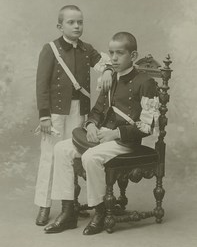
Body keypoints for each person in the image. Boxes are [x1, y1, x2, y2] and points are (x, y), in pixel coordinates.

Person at [44, 32, 160, 235]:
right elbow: (97, 111)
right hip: (103, 135)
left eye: (119, 53)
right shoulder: (110, 79)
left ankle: (100, 211)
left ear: (133, 55)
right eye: (111, 53)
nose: (113, 58)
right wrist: (90, 126)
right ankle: (68, 211)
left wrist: (115, 134)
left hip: (125, 141)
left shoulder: (146, 83)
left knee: (90, 156)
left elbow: (147, 127)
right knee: (61, 148)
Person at [35, 5, 113, 226]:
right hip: (56, 113)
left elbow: (104, 62)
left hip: (79, 112)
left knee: (72, 157)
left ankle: (70, 204)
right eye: (71, 22)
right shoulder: (50, 49)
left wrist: (107, 70)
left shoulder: (87, 49)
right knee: (50, 156)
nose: (77, 26)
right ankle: (44, 204)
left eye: (80, 22)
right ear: (60, 26)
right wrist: (44, 116)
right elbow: (41, 84)